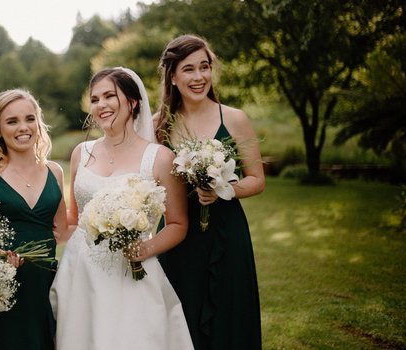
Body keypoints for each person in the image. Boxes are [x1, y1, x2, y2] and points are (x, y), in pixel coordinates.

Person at [50, 67, 195, 350]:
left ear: (132, 102)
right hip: (81, 271)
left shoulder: (161, 158)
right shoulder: (82, 152)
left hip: (132, 269)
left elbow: (178, 224)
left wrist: (147, 248)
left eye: (109, 96)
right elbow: (74, 219)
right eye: (94, 99)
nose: (101, 105)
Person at [155, 34, 265, 350]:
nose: (200, 76)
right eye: (189, 69)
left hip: (227, 237)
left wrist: (223, 189)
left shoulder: (233, 118)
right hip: (179, 239)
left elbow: (257, 180)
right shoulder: (158, 125)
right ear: (173, 77)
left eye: (205, 67)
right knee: (181, 319)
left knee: (231, 318)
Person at [0, 89, 68, 350]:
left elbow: (62, 229)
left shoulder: (54, 171)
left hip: (44, 283)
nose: (24, 128)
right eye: (12, 121)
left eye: (30, 119)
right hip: (1, 283)